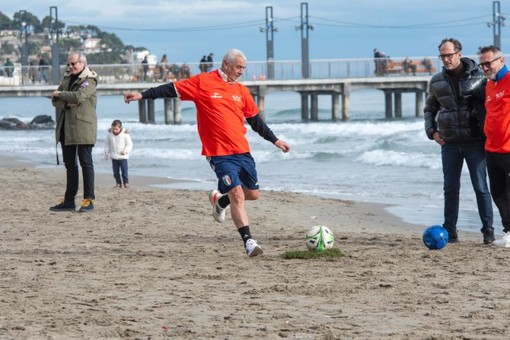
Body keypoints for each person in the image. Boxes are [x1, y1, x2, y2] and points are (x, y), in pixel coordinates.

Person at [124, 48, 290, 257]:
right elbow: (170, 89)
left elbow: (255, 121)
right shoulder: (203, 82)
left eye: (243, 69)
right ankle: (249, 242)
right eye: (238, 67)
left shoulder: (241, 91)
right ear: (226, 64)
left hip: (242, 150)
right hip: (219, 153)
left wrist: (274, 140)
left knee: (253, 194)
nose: (241, 72)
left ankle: (220, 201)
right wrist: (142, 95)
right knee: (237, 195)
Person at [424, 38, 494, 244]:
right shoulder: (436, 81)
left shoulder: (480, 78)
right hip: (450, 143)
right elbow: (430, 109)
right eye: (442, 56)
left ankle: (488, 231)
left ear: (459, 54)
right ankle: (450, 231)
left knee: (481, 186)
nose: (446, 59)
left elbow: (492, 107)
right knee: (450, 188)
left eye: (449, 55)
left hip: (475, 142)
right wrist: (432, 132)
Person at [49, 52, 98, 212]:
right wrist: (64, 103)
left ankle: (88, 200)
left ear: (82, 62)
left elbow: (78, 97)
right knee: (70, 165)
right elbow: (54, 100)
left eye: (73, 64)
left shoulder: (89, 80)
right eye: (68, 64)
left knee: (86, 163)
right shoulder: (66, 79)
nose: (70, 67)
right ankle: (69, 201)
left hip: (84, 127)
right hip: (66, 127)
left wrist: (61, 95)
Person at [478, 45, 510, 245]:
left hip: (509, 148)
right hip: (492, 148)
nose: (484, 67)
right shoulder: (489, 85)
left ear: (501, 60)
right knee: (498, 193)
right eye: (482, 64)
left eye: (488, 63)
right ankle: (508, 232)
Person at [104, 119, 133, 189]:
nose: (114, 131)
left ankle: (126, 183)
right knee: (115, 172)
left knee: (124, 171)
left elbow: (129, 144)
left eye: (116, 129)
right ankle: (118, 183)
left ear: (120, 128)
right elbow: (107, 144)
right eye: (113, 129)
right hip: (114, 156)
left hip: (123, 156)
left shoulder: (125, 134)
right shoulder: (109, 135)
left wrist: (125, 151)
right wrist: (106, 153)